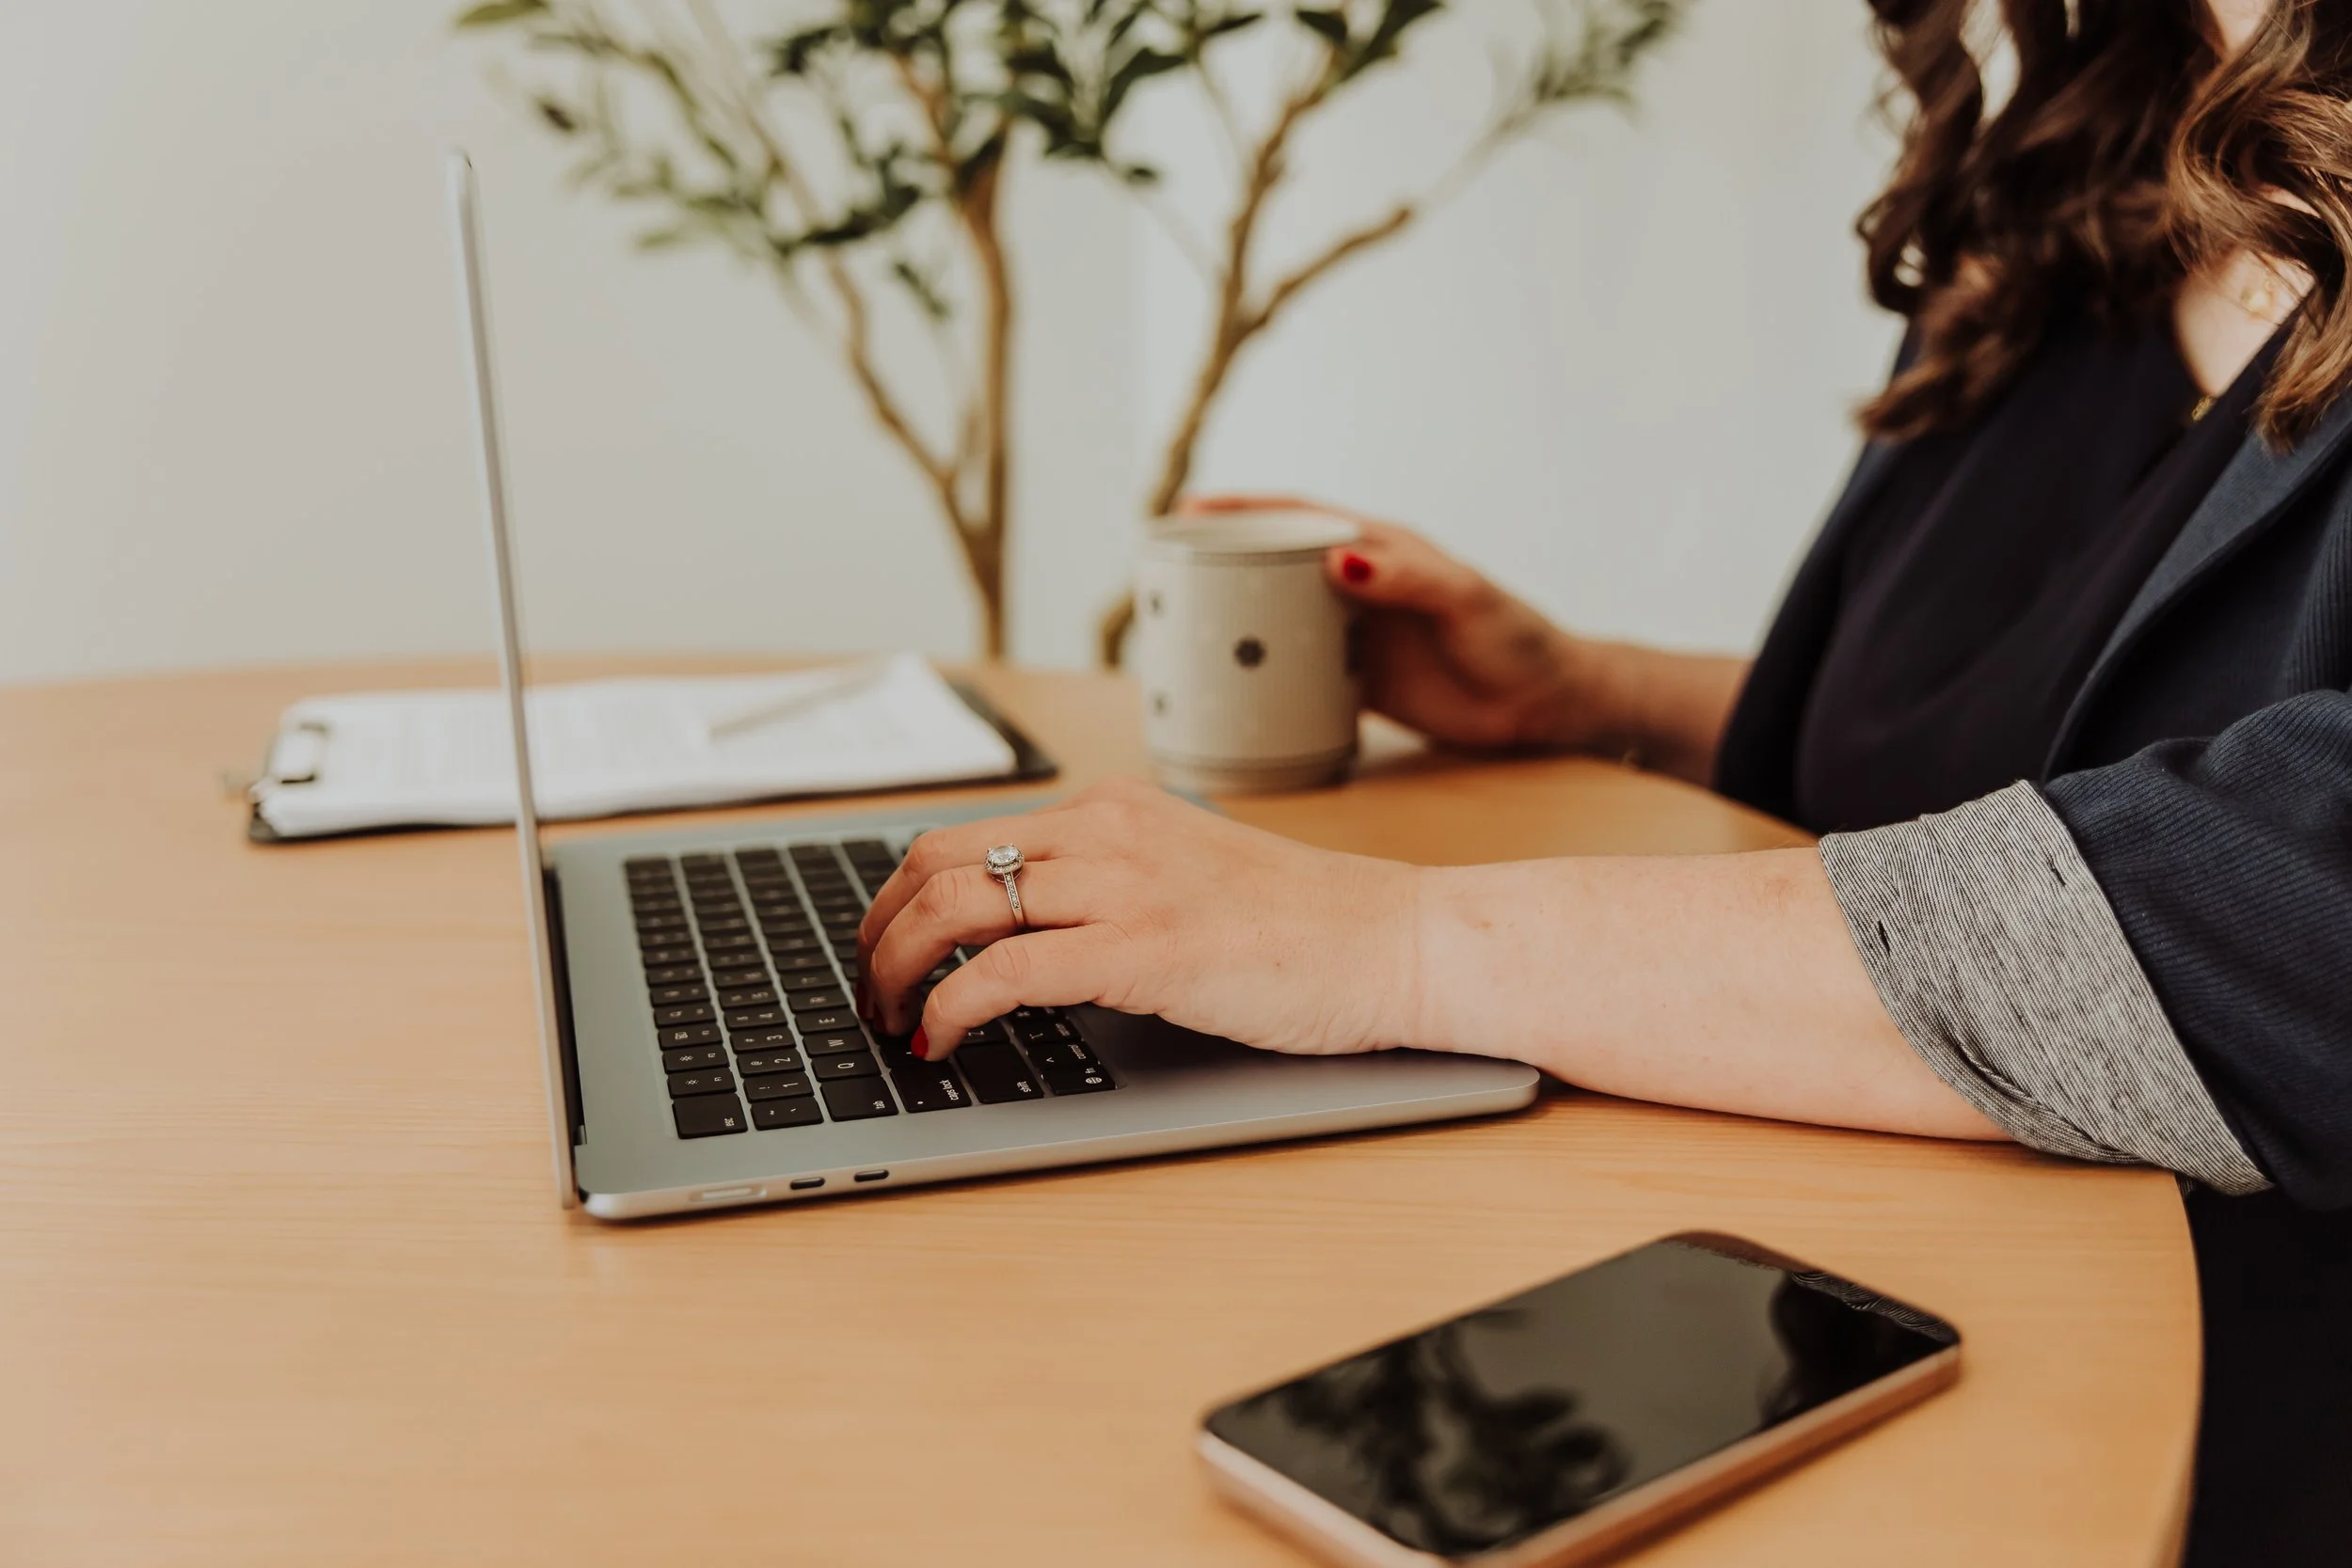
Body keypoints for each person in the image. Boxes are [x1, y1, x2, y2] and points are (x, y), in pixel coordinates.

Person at [856, 1, 2352, 1560]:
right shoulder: (2086, 170)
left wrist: (1397, 945)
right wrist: (1593, 693)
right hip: (1838, 1282)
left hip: (2188, 1436)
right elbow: (2025, 774)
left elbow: (2283, 895)